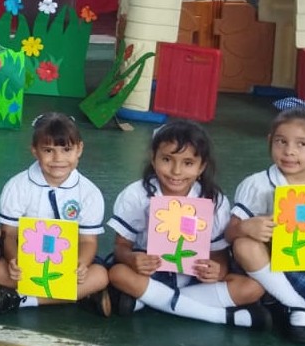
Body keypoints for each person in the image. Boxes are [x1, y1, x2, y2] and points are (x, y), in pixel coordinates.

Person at [107, 120, 269, 329]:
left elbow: (218, 255)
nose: (176, 171)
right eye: (167, 159)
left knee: (253, 288)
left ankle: (148, 300)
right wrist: (132, 259)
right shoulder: (136, 194)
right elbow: (121, 247)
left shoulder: (214, 200)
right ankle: (220, 316)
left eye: (188, 163)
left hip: (193, 278)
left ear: (202, 167)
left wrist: (216, 271)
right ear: (153, 159)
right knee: (118, 274)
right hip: (148, 273)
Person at [228, 103, 305, 343]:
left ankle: (277, 300)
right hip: (255, 268)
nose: (289, 151)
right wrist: (245, 227)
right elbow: (229, 233)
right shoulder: (257, 185)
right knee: (243, 244)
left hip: (303, 268)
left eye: (301, 144)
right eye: (281, 141)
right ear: (270, 141)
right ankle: (296, 305)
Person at [0, 112, 111, 315]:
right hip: (27, 259)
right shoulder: (17, 185)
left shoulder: (90, 192)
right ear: (35, 151)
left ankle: (21, 300)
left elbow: (88, 241)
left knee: (100, 276)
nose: (58, 159)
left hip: (70, 261)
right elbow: (9, 234)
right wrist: (14, 261)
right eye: (48, 150)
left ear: (79, 149)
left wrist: (82, 265)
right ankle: (79, 296)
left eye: (67, 149)